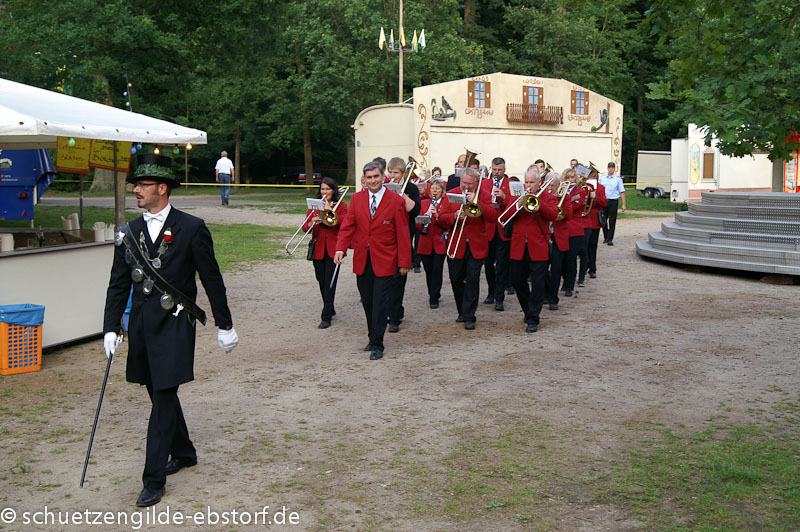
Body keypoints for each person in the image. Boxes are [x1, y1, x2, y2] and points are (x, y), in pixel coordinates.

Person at [103, 153, 239, 507]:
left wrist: (224, 324)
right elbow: (118, 284)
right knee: (157, 390)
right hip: (142, 326)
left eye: (143, 185)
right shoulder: (129, 232)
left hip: (176, 322)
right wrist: (111, 327)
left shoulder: (191, 228)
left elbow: (211, 278)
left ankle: (153, 480)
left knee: (163, 397)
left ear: (162, 189)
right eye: (135, 185)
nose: (136, 190)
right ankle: (184, 451)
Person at [334, 161, 411, 360]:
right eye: (369, 178)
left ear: (383, 176)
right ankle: (372, 336)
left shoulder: (395, 201)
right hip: (363, 259)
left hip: (386, 260)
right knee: (367, 301)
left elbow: (403, 233)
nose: (373, 181)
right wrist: (340, 248)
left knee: (380, 303)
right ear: (365, 179)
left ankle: (378, 343)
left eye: (376, 176)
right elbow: (348, 226)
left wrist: (404, 261)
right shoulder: (357, 199)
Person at [439, 167, 497, 330]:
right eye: (464, 183)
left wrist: (478, 203)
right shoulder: (452, 194)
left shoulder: (484, 195)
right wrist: (454, 216)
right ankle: (462, 311)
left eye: (470, 184)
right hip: (456, 243)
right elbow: (441, 218)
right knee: (456, 279)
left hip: (476, 244)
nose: (466, 186)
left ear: (476, 183)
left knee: (472, 279)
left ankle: (469, 315)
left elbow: (493, 216)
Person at [508, 165, 558, 332]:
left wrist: (538, 203)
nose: (528, 185)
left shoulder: (548, 197)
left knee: (538, 284)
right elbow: (508, 216)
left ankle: (533, 318)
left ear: (539, 182)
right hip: (519, 245)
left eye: (531, 182)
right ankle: (528, 309)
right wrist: (518, 203)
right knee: (517, 280)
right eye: (526, 182)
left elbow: (553, 215)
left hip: (539, 245)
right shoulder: (518, 195)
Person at [302, 177, 348, 329]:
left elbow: (344, 224)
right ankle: (330, 306)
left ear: (333, 191)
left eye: (328, 189)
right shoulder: (314, 206)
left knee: (330, 282)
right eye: (322, 189)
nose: (325, 192)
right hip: (319, 248)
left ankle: (326, 316)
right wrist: (311, 222)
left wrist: (329, 210)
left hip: (334, 249)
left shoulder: (341, 206)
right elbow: (304, 228)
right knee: (321, 280)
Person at [385, 157, 421, 332]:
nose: (393, 176)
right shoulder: (383, 186)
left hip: (404, 236)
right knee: (386, 279)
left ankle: (395, 317)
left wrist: (401, 193)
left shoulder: (411, 188)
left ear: (403, 173)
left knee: (398, 278)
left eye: (396, 173)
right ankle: (392, 311)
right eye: (390, 172)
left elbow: (415, 211)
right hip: (386, 236)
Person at [483, 157, 512, 311]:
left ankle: (499, 298)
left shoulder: (510, 184)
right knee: (488, 264)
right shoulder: (485, 183)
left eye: (500, 170)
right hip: (488, 228)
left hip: (503, 229)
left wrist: (504, 197)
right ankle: (491, 292)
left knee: (501, 266)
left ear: (504, 170)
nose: (497, 173)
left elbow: (514, 204)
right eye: (494, 170)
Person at [417, 179, 449, 308]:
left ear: (442, 191)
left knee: (437, 270)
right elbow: (417, 224)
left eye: (437, 188)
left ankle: (434, 297)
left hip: (439, 241)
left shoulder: (446, 204)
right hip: (425, 241)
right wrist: (424, 218)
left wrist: (437, 216)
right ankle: (432, 292)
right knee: (428, 270)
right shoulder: (424, 203)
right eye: (432, 188)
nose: (435, 190)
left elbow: (448, 223)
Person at [560, 168, 587, 297]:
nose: (570, 180)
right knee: (562, 259)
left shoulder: (580, 191)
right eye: (568, 178)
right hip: (563, 228)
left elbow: (576, 206)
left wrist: (566, 197)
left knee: (571, 259)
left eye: (572, 178)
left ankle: (569, 285)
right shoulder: (561, 190)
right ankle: (565, 282)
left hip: (575, 229)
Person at [545, 174, 571, 311]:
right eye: (548, 184)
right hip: (543, 236)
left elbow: (569, 215)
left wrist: (558, 205)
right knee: (541, 269)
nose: (550, 188)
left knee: (556, 269)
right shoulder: (541, 196)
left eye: (553, 185)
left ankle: (553, 298)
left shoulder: (565, 196)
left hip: (557, 236)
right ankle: (546, 293)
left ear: (558, 185)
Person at [579, 174, 607, 282]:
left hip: (594, 220)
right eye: (591, 176)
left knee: (592, 246)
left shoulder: (600, 187)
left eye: (595, 176)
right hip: (583, 219)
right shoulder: (583, 186)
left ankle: (592, 268)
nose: (593, 178)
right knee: (583, 247)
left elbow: (604, 202)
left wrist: (595, 198)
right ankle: (585, 266)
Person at [599, 162, 626, 245]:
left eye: (612, 168)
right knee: (603, 220)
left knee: (612, 220)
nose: (611, 169)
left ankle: (609, 238)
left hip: (613, 201)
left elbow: (622, 191)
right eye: (609, 167)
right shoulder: (602, 179)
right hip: (604, 201)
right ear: (607, 168)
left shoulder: (618, 179)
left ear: (614, 169)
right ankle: (606, 236)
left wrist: (624, 204)